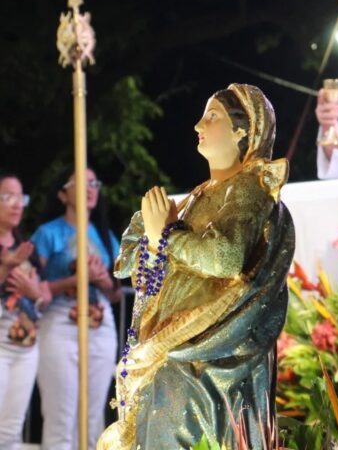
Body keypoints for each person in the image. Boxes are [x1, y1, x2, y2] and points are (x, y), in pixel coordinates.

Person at [98, 84, 294, 450]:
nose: (197, 124)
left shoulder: (249, 188)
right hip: (179, 355)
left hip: (207, 360)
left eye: (213, 115)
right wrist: (153, 240)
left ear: (243, 132)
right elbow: (139, 273)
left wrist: (167, 235)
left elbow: (227, 258)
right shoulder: (197, 198)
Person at [31, 170, 123, 450]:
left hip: (100, 321)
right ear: (62, 194)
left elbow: (116, 293)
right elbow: (35, 285)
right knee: (62, 414)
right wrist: (78, 278)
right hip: (60, 320)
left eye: (95, 183)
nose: (90, 188)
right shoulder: (48, 233)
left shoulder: (106, 236)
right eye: (81, 183)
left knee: (94, 417)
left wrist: (102, 279)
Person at [0, 172, 52, 450]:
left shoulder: (27, 250)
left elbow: (43, 294)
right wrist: (7, 267)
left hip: (26, 345)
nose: (16, 204)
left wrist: (35, 294)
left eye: (21, 198)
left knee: (11, 429)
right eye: (8, 197)